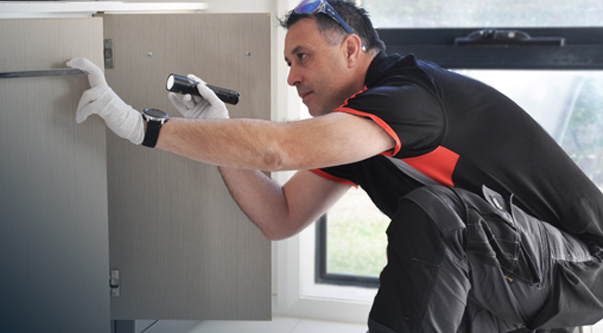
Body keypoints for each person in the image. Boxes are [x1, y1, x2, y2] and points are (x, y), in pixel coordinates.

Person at [67, 0, 603, 331]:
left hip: (579, 266)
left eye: (303, 57)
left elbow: (279, 149)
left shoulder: (407, 94)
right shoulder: (358, 131)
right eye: (288, 62)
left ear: (351, 49)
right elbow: (280, 216)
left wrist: (144, 128)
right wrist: (218, 128)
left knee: (435, 215)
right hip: (516, 268)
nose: (292, 78)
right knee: (439, 256)